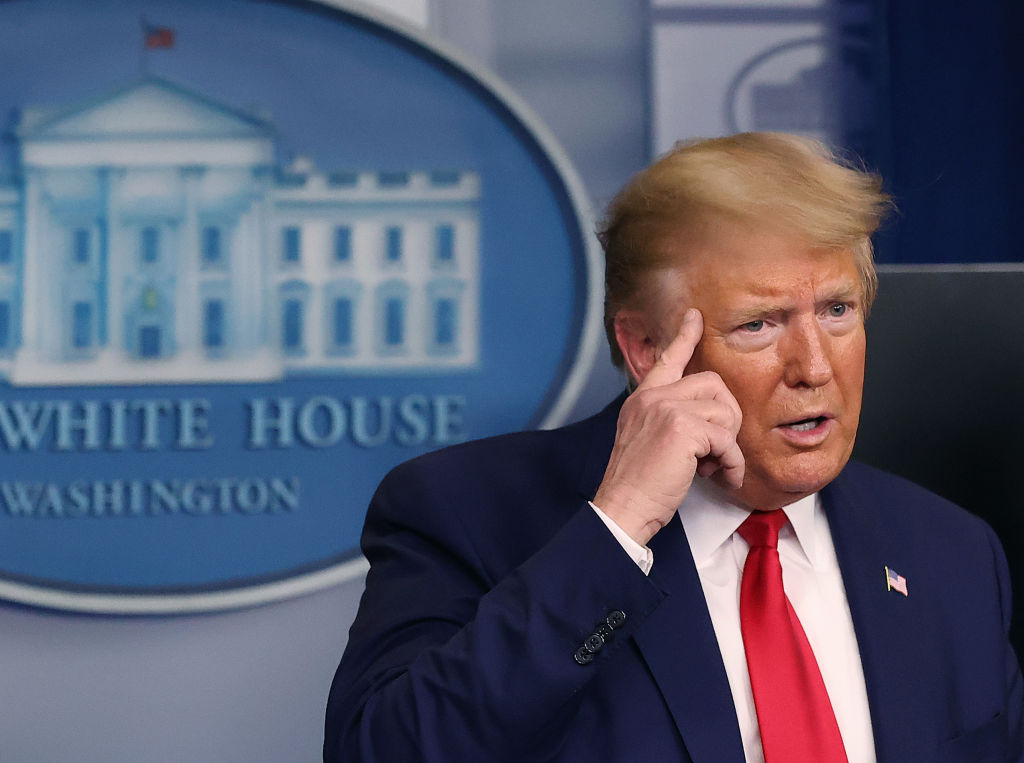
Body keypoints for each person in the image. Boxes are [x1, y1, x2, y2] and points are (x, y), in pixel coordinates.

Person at [324, 133, 1023, 762]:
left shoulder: (951, 553)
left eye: (837, 310)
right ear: (646, 348)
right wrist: (619, 522)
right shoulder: (466, 513)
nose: (814, 365)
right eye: (758, 323)